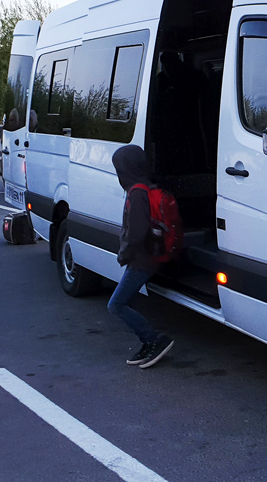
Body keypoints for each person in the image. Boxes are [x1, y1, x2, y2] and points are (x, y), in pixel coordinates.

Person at [108, 144, 174, 369]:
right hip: (149, 256)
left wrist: (123, 254)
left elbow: (136, 232)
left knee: (116, 304)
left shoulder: (136, 194)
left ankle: (154, 339)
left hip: (142, 260)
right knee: (126, 300)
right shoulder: (146, 187)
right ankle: (148, 342)